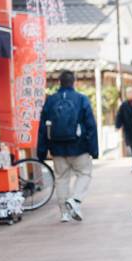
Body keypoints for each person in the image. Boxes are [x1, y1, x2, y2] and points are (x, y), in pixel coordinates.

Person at [37, 70, 98, 223]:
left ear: (60, 82)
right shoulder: (81, 99)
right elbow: (91, 125)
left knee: (61, 179)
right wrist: (94, 149)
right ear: (74, 82)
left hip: (57, 149)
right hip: (79, 147)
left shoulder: (50, 101)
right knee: (84, 173)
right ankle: (76, 200)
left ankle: (64, 213)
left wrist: (41, 151)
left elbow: (43, 127)